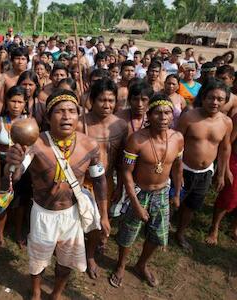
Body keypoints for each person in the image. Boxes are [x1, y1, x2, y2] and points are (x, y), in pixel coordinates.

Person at [6, 89, 110, 300]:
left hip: (72, 214)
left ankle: (56, 294)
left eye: (71, 111)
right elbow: (17, 176)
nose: (66, 116)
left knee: (66, 261)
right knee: (38, 260)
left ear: (78, 115)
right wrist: (13, 163)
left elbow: (99, 180)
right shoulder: (35, 144)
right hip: (44, 214)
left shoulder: (89, 145)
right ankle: (35, 292)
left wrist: (105, 215)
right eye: (60, 111)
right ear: (48, 116)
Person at [109, 93, 184, 288]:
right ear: (149, 116)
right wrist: (135, 203)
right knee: (127, 233)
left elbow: (177, 166)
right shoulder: (137, 140)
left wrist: (175, 194)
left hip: (162, 192)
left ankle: (142, 264)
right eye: (158, 113)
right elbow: (126, 172)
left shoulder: (177, 138)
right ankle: (121, 265)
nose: (163, 117)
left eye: (168, 112)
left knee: (158, 234)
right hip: (138, 192)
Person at [77, 78, 128, 279]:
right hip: (81, 180)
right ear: (91, 100)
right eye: (101, 100)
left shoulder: (121, 125)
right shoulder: (80, 123)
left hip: (106, 181)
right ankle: (72, 248)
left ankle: (90, 255)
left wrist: (121, 185)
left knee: (100, 221)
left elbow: (123, 160)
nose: (107, 105)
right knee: (77, 219)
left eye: (111, 100)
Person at [176, 78, 233, 252]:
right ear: (203, 97)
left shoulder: (226, 122)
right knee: (173, 202)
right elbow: (176, 143)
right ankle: (156, 231)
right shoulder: (189, 117)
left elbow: (224, 148)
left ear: (225, 101)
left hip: (205, 173)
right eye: (211, 97)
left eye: (220, 99)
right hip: (183, 169)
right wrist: (176, 171)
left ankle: (180, 233)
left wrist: (221, 173)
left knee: (192, 205)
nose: (215, 102)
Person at [0, 86, 31, 250]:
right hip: (2, 166)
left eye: (20, 102)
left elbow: (32, 146)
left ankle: (18, 233)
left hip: (22, 167)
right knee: (3, 202)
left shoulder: (29, 121)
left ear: (25, 103)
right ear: (6, 102)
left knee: (20, 203)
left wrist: (22, 164)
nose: (16, 105)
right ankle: (0, 236)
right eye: (13, 101)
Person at [206, 111, 237, 245]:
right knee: (229, 196)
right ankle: (214, 229)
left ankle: (234, 229)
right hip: (235, 160)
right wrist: (226, 169)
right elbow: (227, 144)